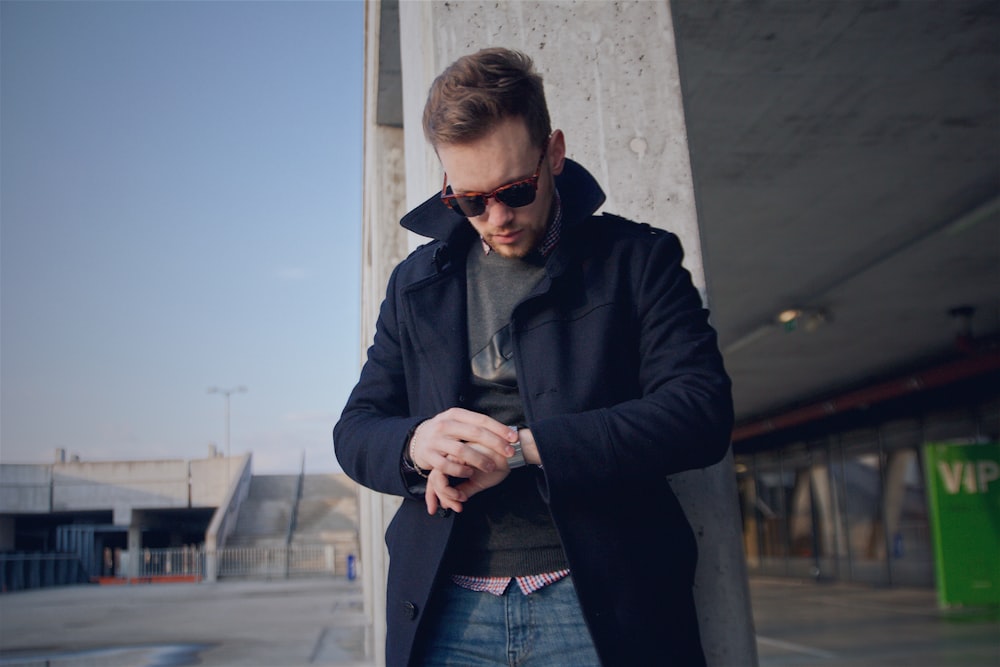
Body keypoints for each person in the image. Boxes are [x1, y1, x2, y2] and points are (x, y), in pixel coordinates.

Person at [334, 47, 733, 667]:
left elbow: (699, 414)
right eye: (468, 200)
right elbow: (356, 429)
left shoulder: (637, 260)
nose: (495, 218)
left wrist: (522, 449)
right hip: (446, 606)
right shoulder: (415, 284)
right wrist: (416, 446)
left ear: (553, 153)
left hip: (604, 600)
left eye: (515, 190)